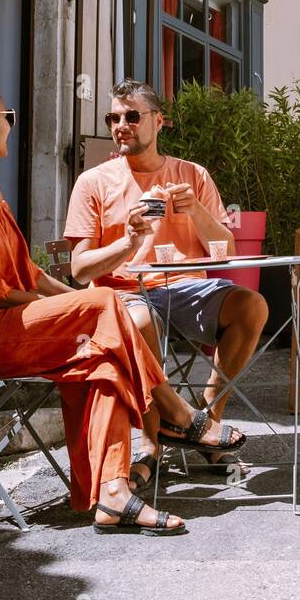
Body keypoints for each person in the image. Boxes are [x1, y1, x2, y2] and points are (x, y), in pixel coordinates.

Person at [0, 79, 246, 536]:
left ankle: (113, 495)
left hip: (11, 324)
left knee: (103, 361)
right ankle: (177, 415)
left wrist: (81, 302)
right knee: (106, 308)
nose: (11, 126)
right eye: (6, 117)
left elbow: (27, 275)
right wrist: (88, 302)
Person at [63, 79, 268, 491]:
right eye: (113, 117)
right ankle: (151, 443)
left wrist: (194, 210)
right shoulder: (94, 182)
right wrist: (128, 242)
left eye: (132, 116)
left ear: (159, 122)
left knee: (252, 305)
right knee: (139, 321)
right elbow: (80, 270)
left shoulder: (191, 176)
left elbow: (223, 249)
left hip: (187, 289)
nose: (122, 124)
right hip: (124, 291)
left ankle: (206, 420)